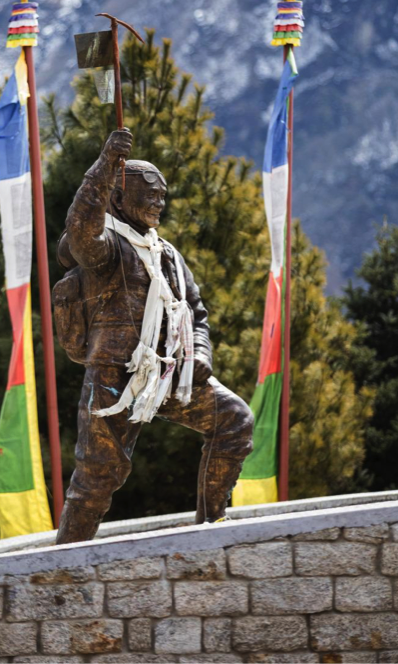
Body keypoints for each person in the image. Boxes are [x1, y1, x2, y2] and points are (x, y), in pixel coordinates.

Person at [55, 128, 253, 544]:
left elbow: (196, 311)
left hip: (170, 374)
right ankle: (61, 567)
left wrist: (199, 353)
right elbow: (81, 226)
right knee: (97, 477)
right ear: (119, 199)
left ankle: (212, 528)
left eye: (162, 197)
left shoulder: (167, 254)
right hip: (114, 378)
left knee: (234, 421)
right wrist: (106, 165)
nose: (158, 204)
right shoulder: (104, 249)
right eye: (150, 195)